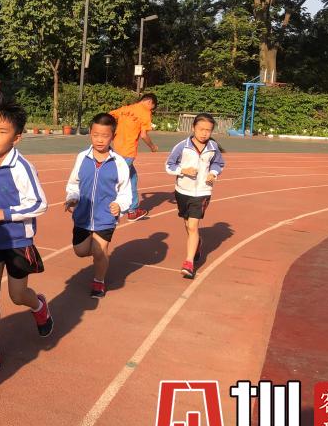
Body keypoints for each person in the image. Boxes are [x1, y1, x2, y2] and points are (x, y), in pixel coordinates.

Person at [0, 97, 51, 376]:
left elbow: (39, 203)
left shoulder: (22, 168)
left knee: (17, 295)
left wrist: (4, 213)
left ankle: (38, 305)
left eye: (2, 132)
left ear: (16, 138)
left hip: (17, 241)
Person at [64, 113, 132, 298]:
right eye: (96, 135)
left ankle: (99, 281)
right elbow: (74, 184)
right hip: (83, 215)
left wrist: (119, 204)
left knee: (99, 251)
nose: (100, 140)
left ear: (113, 137)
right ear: (90, 133)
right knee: (80, 251)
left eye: (105, 136)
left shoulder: (119, 163)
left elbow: (126, 191)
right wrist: (72, 197)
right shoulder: (82, 157)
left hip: (105, 216)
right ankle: (93, 251)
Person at [164, 112, 226, 279]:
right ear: (193, 128)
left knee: (192, 226)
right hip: (182, 191)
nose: (204, 133)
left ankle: (189, 262)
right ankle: (197, 243)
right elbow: (169, 165)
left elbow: (219, 163)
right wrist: (182, 170)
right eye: (201, 129)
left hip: (203, 192)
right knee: (187, 224)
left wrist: (213, 173)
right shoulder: (182, 146)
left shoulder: (213, 147)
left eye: (208, 130)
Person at [109, 93, 159, 221]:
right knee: (118, 180)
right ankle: (111, 206)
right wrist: (152, 146)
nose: (151, 110)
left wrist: (113, 132)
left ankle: (133, 209)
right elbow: (143, 135)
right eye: (152, 107)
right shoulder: (145, 112)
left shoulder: (126, 108)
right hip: (128, 151)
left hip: (116, 149)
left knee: (132, 178)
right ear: (149, 102)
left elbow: (109, 116)